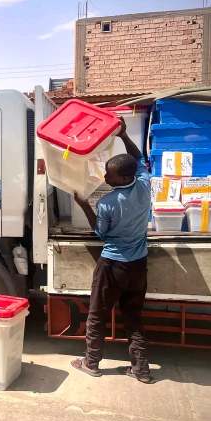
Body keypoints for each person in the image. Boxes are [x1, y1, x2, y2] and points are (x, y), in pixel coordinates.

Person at [70, 117, 154, 384]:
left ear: (125, 177)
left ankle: (91, 362)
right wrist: (124, 136)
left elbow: (101, 233)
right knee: (133, 316)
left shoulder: (107, 202)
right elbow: (138, 158)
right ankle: (141, 369)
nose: (105, 177)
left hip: (112, 266)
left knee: (97, 315)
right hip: (138, 265)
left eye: (110, 175)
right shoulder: (144, 184)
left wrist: (84, 205)